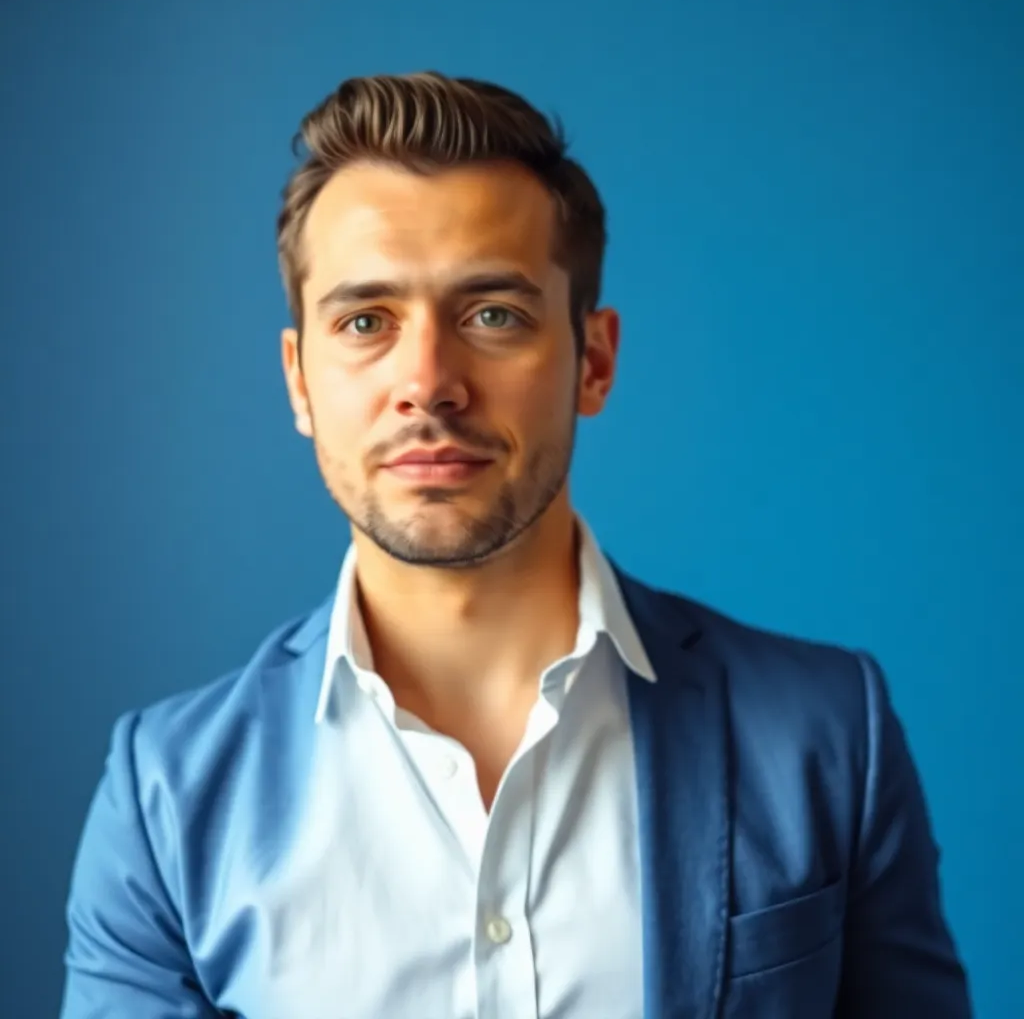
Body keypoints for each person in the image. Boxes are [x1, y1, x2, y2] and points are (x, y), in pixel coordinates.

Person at [59, 71, 972, 1019]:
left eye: (493, 315)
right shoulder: (166, 798)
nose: (428, 383)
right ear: (299, 380)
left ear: (596, 360)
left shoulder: (828, 736)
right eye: (366, 322)